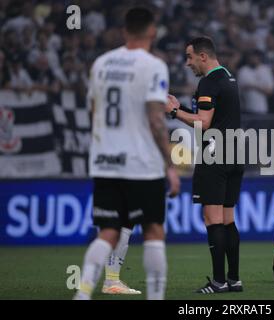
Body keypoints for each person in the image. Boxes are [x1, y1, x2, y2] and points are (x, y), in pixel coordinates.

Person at [74, 7, 180, 300]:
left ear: (124, 31)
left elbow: (94, 109)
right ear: (152, 32)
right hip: (140, 163)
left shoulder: (101, 64)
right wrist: (169, 164)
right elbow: (156, 119)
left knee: (108, 231)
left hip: (105, 161)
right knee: (153, 231)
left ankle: (83, 293)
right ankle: (155, 297)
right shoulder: (153, 65)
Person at [165, 36, 244, 294]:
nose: (187, 63)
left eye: (189, 57)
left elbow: (204, 122)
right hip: (235, 153)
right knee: (228, 219)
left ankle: (219, 282)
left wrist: (175, 113)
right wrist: (183, 107)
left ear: (202, 56)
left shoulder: (209, 81)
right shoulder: (228, 78)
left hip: (214, 155)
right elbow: (211, 115)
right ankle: (234, 280)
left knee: (213, 220)